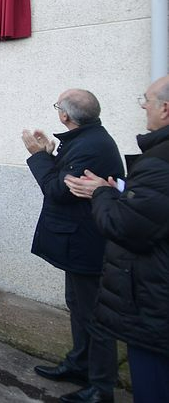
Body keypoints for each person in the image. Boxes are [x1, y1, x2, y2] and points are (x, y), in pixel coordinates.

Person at [65, 75, 169, 403]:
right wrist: (118, 191)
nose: (142, 106)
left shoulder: (157, 161)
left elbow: (126, 224)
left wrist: (102, 193)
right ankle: (84, 368)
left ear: (165, 109)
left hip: (152, 298)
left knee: (151, 384)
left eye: (146, 100)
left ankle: (99, 385)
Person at [22, 89, 123, 403]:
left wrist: (37, 155)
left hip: (86, 243)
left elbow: (56, 190)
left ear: (65, 116)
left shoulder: (90, 146)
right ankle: (80, 364)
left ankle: (102, 387)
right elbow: (65, 179)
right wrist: (51, 154)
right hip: (79, 241)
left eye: (58, 108)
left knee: (94, 315)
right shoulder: (86, 140)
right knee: (78, 306)